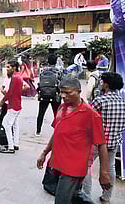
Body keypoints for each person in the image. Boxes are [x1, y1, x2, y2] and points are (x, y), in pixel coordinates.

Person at [36, 77, 112, 204]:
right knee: (75, 195)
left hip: (74, 168)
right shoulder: (61, 108)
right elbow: (57, 133)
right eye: (61, 92)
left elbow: (102, 144)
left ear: (78, 91)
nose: (63, 96)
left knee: (61, 199)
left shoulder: (90, 114)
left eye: (68, 92)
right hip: (58, 163)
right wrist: (44, 153)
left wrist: (103, 173)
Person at [82, 72, 125, 203]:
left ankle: (86, 197)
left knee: (86, 166)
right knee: (110, 168)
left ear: (106, 85)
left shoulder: (100, 101)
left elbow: (86, 118)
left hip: (96, 142)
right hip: (114, 141)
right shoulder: (123, 102)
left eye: (102, 82)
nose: (100, 84)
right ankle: (106, 198)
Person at [0, 61, 25, 154]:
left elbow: (9, 93)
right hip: (17, 104)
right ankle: (15, 143)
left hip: (13, 105)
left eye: (9, 67)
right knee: (15, 125)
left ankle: (10, 147)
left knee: (6, 124)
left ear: (14, 68)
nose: (7, 69)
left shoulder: (14, 78)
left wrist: (2, 101)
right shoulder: (19, 76)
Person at [36, 54, 63, 136]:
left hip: (43, 94)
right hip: (55, 94)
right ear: (56, 61)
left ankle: (38, 131)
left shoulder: (43, 70)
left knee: (41, 113)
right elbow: (61, 82)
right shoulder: (58, 70)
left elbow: (40, 81)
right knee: (57, 113)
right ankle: (57, 130)